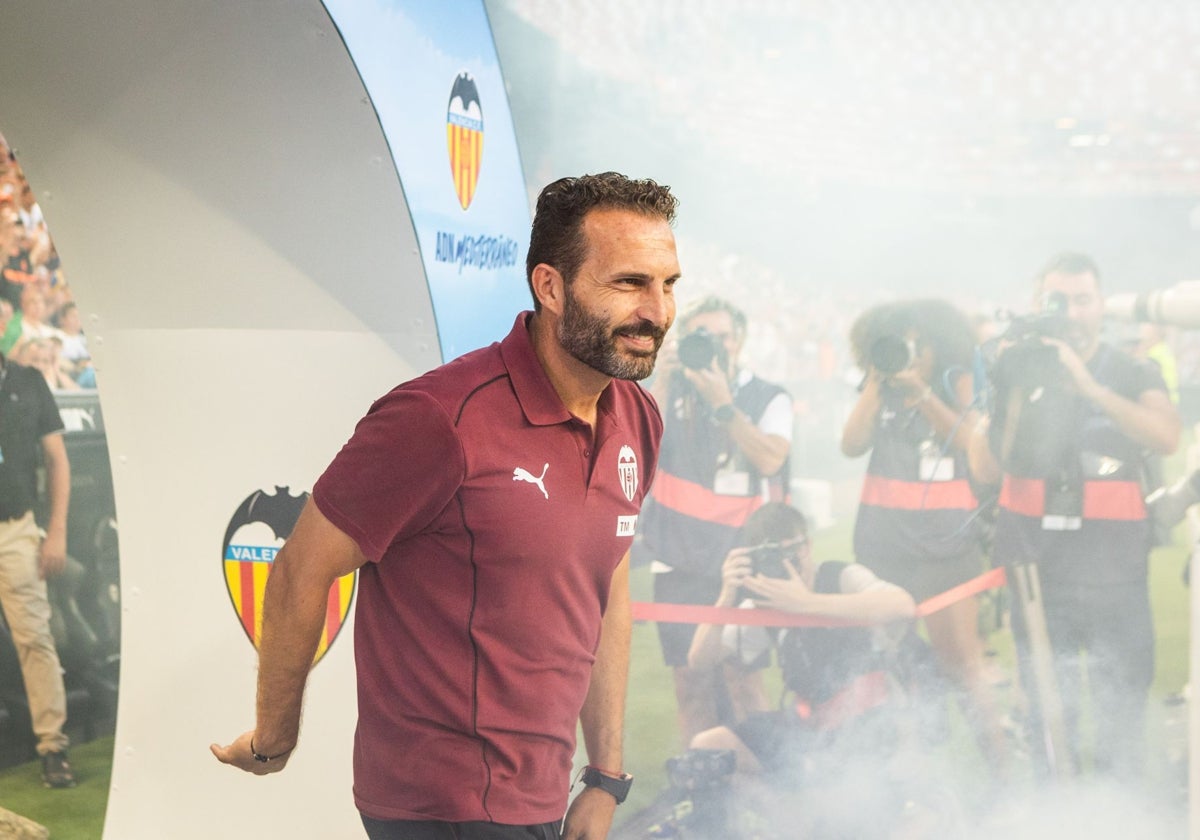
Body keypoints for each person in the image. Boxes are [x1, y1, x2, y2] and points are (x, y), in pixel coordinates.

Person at [213, 172, 682, 840]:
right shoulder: (438, 417)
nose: (657, 311)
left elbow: (606, 585)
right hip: (440, 806)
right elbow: (299, 567)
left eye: (669, 284)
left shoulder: (637, 416)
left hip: (539, 794)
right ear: (550, 287)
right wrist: (275, 736)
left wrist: (605, 776)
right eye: (630, 283)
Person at [969, 252, 1181, 782]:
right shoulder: (1007, 366)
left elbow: (1166, 435)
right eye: (1058, 300)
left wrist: (1089, 388)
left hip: (1116, 574)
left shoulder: (1132, 368)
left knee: (1122, 714)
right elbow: (985, 469)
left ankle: (1120, 820)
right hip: (1037, 575)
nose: (1072, 311)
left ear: (1101, 305)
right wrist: (1011, 390)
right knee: (1048, 716)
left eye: (1083, 299)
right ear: (1037, 305)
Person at [840, 298, 1007, 768]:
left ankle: (1000, 775)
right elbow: (851, 444)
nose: (912, 354)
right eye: (900, 343)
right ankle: (911, 784)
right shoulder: (879, 387)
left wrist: (921, 393)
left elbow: (977, 446)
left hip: (945, 550)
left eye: (920, 344)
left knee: (963, 668)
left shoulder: (959, 383)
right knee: (890, 670)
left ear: (939, 345)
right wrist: (877, 379)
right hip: (883, 546)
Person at [686, 502, 916, 836]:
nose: (784, 565)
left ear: (807, 546)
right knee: (709, 748)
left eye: (790, 552)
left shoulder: (839, 576)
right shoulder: (764, 602)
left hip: (867, 723)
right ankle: (793, 824)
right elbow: (700, 659)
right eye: (771, 556)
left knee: (848, 817)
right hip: (809, 726)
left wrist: (806, 603)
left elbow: (902, 604)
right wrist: (727, 595)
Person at [640, 296, 793, 747]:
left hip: (742, 561)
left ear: (740, 340)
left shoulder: (767, 395)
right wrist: (663, 380)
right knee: (691, 687)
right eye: (700, 337)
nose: (714, 346)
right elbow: (635, 445)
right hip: (678, 560)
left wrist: (724, 405)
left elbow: (770, 458)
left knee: (745, 683)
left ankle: (765, 787)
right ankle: (703, 796)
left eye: (722, 336)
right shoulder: (671, 388)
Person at [0, 347, 75, 787]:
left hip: (15, 528)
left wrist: (58, 530)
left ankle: (53, 748)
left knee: (35, 639)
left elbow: (57, 459)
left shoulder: (27, 382)